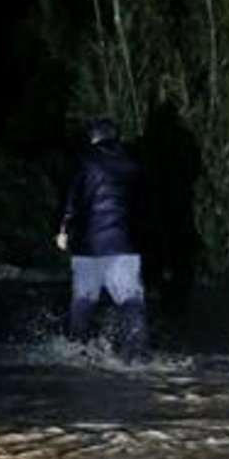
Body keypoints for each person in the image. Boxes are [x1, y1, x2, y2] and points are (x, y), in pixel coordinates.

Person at [55, 116, 150, 361]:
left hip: (89, 245)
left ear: (93, 137)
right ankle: (137, 356)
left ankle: (76, 353)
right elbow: (143, 208)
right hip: (124, 244)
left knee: (83, 303)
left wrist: (63, 230)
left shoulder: (84, 161)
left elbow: (71, 199)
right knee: (131, 303)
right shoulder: (133, 164)